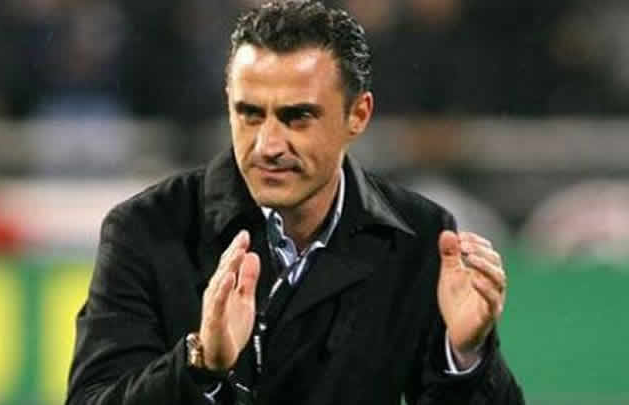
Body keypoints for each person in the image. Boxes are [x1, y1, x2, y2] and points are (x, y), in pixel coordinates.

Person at [65, 1, 524, 404]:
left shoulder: (419, 236)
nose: (268, 144)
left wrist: (464, 356)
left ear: (358, 114)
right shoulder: (146, 229)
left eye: (297, 116)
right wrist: (199, 363)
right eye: (249, 114)